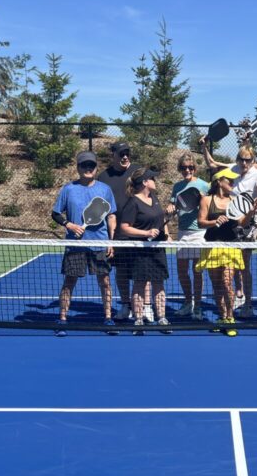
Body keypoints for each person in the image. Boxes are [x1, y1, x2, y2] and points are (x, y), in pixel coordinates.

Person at [50, 151, 118, 336]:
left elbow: (111, 215)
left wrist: (111, 242)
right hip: (75, 246)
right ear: (78, 168)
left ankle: (108, 317)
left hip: (100, 244)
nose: (88, 169)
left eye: (92, 166)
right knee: (69, 281)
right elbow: (56, 214)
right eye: (84, 165)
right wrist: (69, 225)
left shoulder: (105, 189)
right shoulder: (68, 189)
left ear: (96, 168)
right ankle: (62, 319)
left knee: (104, 281)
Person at [199, 140, 257, 317]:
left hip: (247, 221)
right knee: (232, 268)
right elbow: (212, 163)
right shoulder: (232, 169)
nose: (244, 163)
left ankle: (248, 303)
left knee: (243, 265)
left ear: (253, 160)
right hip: (230, 217)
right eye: (242, 159)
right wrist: (204, 147)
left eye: (248, 160)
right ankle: (238, 294)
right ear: (238, 159)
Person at [195, 167, 254, 337]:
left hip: (230, 246)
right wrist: (214, 222)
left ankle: (230, 317)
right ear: (219, 181)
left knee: (227, 282)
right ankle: (222, 317)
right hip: (212, 246)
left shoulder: (235, 200)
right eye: (229, 180)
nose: (233, 183)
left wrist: (251, 211)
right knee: (217, 285)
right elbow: (200, 222)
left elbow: (241, 223)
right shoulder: (206, 200)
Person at [119, 168, 172, 334]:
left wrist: (167, 235)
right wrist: (145, 233)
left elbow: (161, 219)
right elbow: (124, 228)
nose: (154, 181)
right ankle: (139, 320)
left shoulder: (154, 198)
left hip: (157, 249)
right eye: (152, 178)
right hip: (140, 251)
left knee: (159, 283)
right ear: (144, 182)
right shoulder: (133, 202)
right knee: (140, 284)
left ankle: (162, 318)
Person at [97, 141, 142, 320]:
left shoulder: (138, 171)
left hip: (139, 230)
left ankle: (144, 306)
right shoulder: (104, 177)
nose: (125, 156)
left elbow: (150, 195)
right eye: (121, 153)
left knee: (142, 271)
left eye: (127, 153)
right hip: (116, 233)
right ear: (113, 155)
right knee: (121, 270)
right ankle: (125, 304)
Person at [165, 151, 209, 320]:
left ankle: (197, 306)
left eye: (190, 167)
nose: (187, 170)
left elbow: (209, 206)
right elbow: (173, 206)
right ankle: (187, 302)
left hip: (199, 232)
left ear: (195, 168)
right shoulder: (177, 187)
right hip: (183, 232)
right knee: (182, 271)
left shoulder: (204, 185)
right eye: (184, 168)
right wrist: (170, 208)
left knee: (197, 271)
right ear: (180, 169)